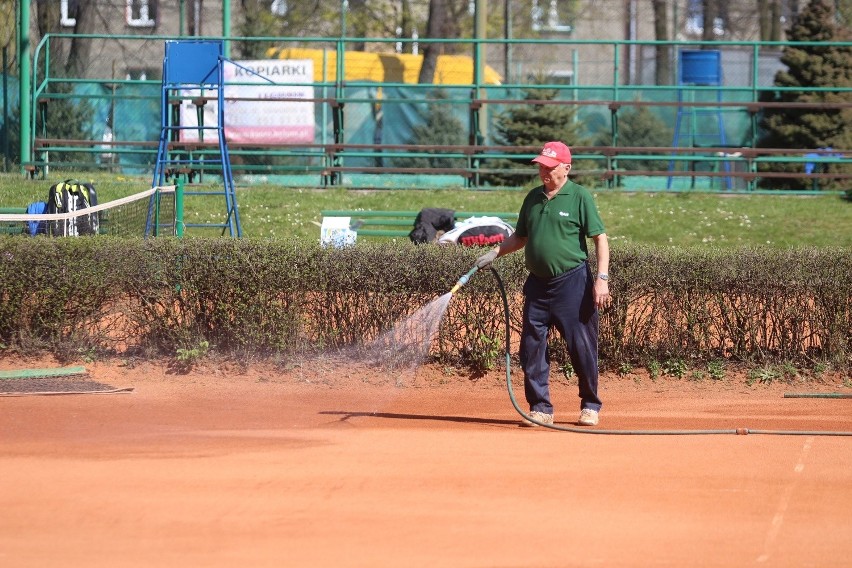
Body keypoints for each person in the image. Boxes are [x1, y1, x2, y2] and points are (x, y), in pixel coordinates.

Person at [475, 141, 611, 427]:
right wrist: (495, 252)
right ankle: (540, 408)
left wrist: (601, 280)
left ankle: (590, 405)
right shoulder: (533, 198)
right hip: (537, 285)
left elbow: (600, 239)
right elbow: (520, 237)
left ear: (566, 168)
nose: (544, 172)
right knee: (532, 346)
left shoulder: (579, 196)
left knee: (581, 346)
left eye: (550, 167)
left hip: (573, 282)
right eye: (541, 167)